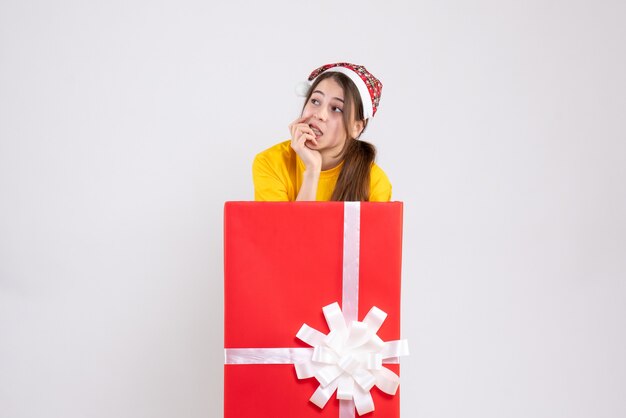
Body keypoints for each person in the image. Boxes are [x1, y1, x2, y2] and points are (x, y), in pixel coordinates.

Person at [253, 62, 391, 202]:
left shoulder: (375, 182)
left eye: (336, 109)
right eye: (315, 101)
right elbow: (283, 225)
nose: (320, 114)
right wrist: (312, 171)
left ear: (356, 127)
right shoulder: (270, 162)